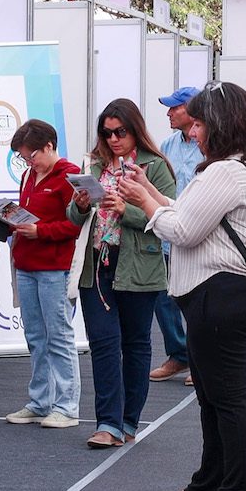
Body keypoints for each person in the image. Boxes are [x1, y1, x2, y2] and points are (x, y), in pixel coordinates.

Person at [118, 81, 246, 491]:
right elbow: (187, 212)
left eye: (199, 123)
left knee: (229, 401)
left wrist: (144, 203)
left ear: (220, 124)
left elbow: (182, 229)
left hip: (223, 296)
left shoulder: (225, 172)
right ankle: (210, 484)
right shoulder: (232, 167)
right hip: (219, 296)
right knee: (213, 400)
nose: (192, 131)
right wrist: (149, 192)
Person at [67, 98, 176, 448]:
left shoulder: (154, 166)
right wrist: (79, 205)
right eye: (107, 132)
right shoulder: (94, 164)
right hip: (96, 263)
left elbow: (167, 217)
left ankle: (128, 420)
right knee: (103, 342)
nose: (113, 139)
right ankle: (107, 423)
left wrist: (125, 209)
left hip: (138, 264)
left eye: (120, 132)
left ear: (135, 130)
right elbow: (73, 217)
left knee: (135, 343)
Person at [4, 120, 82, 429]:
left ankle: (67, 406)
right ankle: (40, 401)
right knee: (36, 337)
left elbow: (76, 225)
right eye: (24, 157)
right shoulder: (28, 175)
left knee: (59, 337)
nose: (28, 162)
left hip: (55, 267)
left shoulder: (70, 176)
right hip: (26, 264)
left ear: (49, 146)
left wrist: (41, 231)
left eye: (32, 155)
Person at [149, 87, 202, 388]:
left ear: (192, 110)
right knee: (162, 297)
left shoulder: (210, 145)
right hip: (167, 232)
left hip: (196, 234)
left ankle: (199, 360)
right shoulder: (168, 144)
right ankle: (179, 354)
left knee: (193, 300)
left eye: (174, 108)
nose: (168, 113)